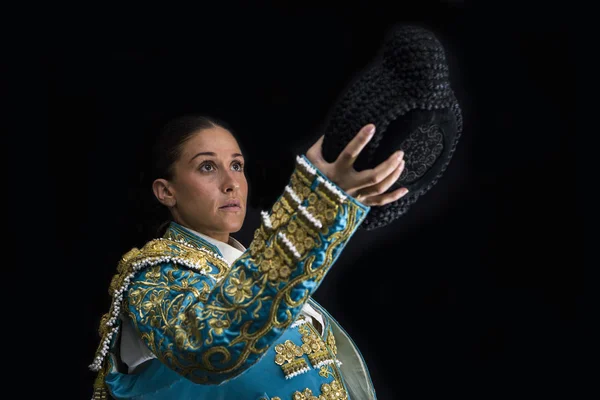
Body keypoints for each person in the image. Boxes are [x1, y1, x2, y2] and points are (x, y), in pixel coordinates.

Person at [89, 114, 409, 399]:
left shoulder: (249, 263)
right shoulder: (153, 275)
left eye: (237, 166)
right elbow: (211, 347)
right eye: (207, 167)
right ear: (166, 191)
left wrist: (342, 206)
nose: (231, 184)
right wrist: (318, 206)